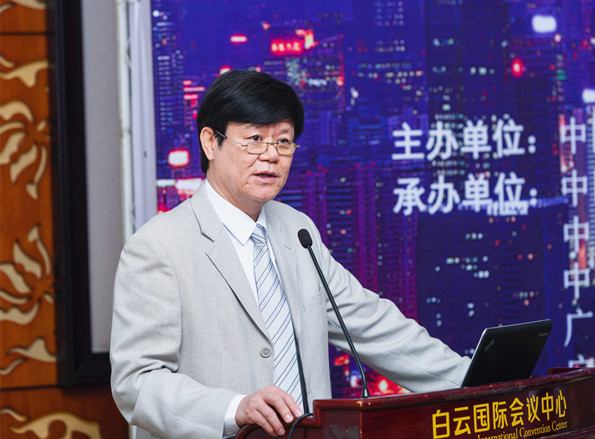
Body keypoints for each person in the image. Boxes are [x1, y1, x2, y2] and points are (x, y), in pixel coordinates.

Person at [110, 70, 471, 439]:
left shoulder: (298, 230)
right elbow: (137, 382)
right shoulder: (159, 245)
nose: (271, 156)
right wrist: (235, 408)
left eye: (283, 141)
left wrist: (476, 381)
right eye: (254, 139)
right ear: (210, 143)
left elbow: (375, 327)